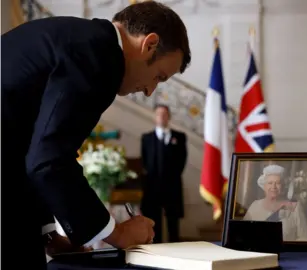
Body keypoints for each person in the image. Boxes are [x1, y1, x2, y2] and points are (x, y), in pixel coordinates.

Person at [1, 1, 191, 269]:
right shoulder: (99, 55)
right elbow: (49, 161)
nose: (150, 91)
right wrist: (118, 233)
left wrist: (48, 234)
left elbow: (29, 150)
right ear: (149, 44)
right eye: (158, 77)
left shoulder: (82, 38)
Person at [140, 104, 188, 243]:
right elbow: (145, 162)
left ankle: (176, 249)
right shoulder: (147, 138)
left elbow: (182, 161)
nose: (161, 116)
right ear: (155, 117)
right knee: (155, 223)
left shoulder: (180, 137)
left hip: (172, 187)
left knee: (173, 223)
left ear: (169, 117)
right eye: (159, 114)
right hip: (153, 188)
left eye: (164, 114)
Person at [243, 165, 307, 241]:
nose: (273, 186)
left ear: (283, 186)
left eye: (278, 183)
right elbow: (245, 233)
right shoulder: (255, 206)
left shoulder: (295, 207)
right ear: (264, 186)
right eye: (270, 183)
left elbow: (304, 237)